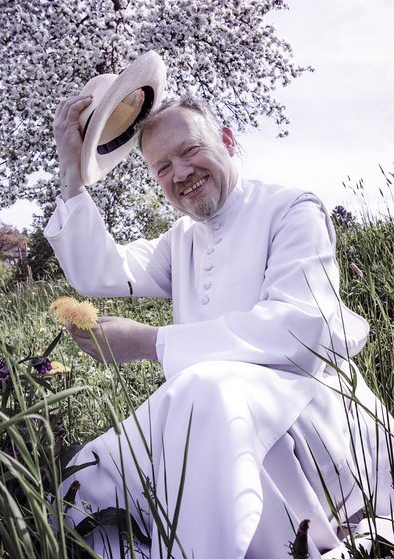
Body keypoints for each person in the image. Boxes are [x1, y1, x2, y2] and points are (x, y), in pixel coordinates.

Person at [45, 77, 393, 558]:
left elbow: (301, 327)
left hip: (309, 414)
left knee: (204, 389)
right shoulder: (182, 239)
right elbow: (101, 272)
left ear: (227, 140)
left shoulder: (292, 208)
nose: (181, 172)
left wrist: (150, 342)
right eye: (162, 167)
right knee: (96, 467)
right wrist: (71, 172)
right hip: (212, 409)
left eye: (190, 151)